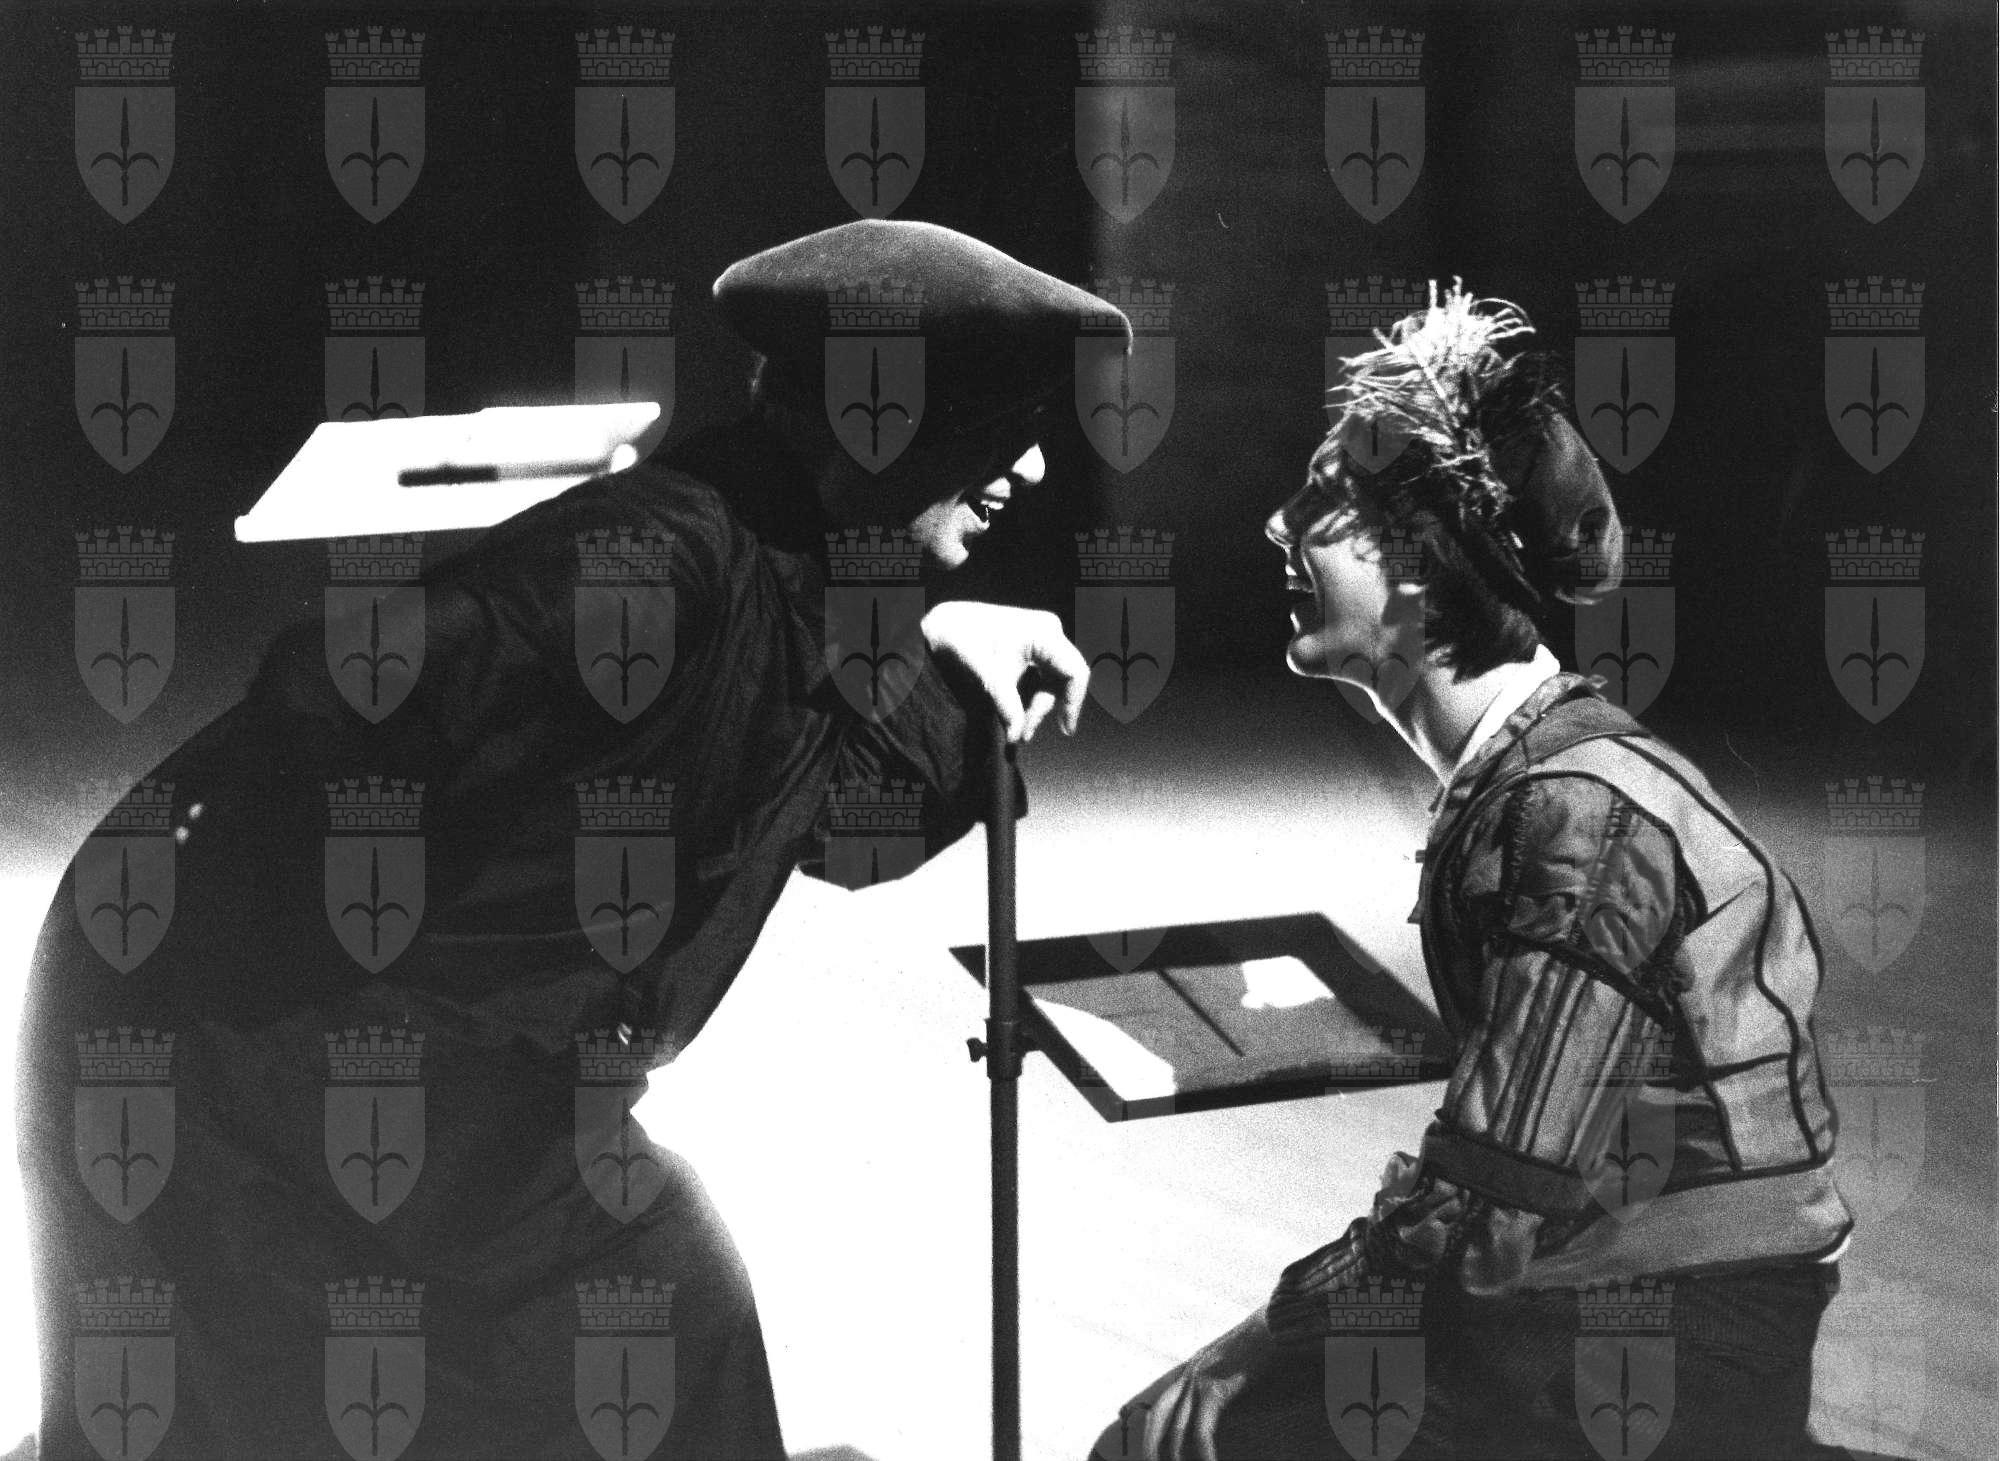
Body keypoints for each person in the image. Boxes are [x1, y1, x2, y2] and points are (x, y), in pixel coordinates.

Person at [23, 219, 1126, 1459]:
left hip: (432, 1084)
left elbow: (835, 825)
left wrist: (939, 660)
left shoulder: (803, 572)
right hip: (243, 1050)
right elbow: (334, 699)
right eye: (1000, 425)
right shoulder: (659, 560)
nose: (1033, 468)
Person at [1097, 284, 1852, 1460]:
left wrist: (1261, 1335)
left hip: (1657, 1339)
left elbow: (1491, 1196)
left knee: (1164, 1445)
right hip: (1597, 1296)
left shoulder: (1577, 817)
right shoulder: (1540, 776)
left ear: (1423, 558)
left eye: (1323, 498)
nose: (1277, 525)